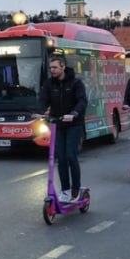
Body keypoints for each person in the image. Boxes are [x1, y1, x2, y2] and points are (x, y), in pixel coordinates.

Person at [38, 55, 87, 203]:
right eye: (50, 68)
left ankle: (76, 189)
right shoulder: (49, 84)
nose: (52, 70)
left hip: (74, 124)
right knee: (61, 157)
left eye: (55, 67)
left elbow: (82, 101)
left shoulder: (76, 83)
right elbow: (43, 100)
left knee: (71, 155)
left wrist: (74, 113)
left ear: (63, 67)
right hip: (57, 124)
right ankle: (65, 190)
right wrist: (37, 112)